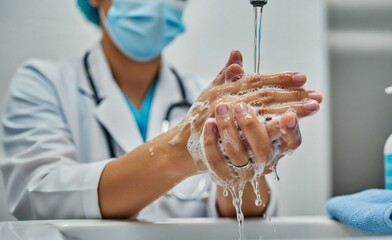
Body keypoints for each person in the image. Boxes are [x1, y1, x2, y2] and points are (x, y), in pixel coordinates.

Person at [1, 0, 322, 220]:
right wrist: (184, 148)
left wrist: (244, 166)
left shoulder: (208, 100)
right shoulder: (44, 84)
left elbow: (249, 213)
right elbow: (38, 197)